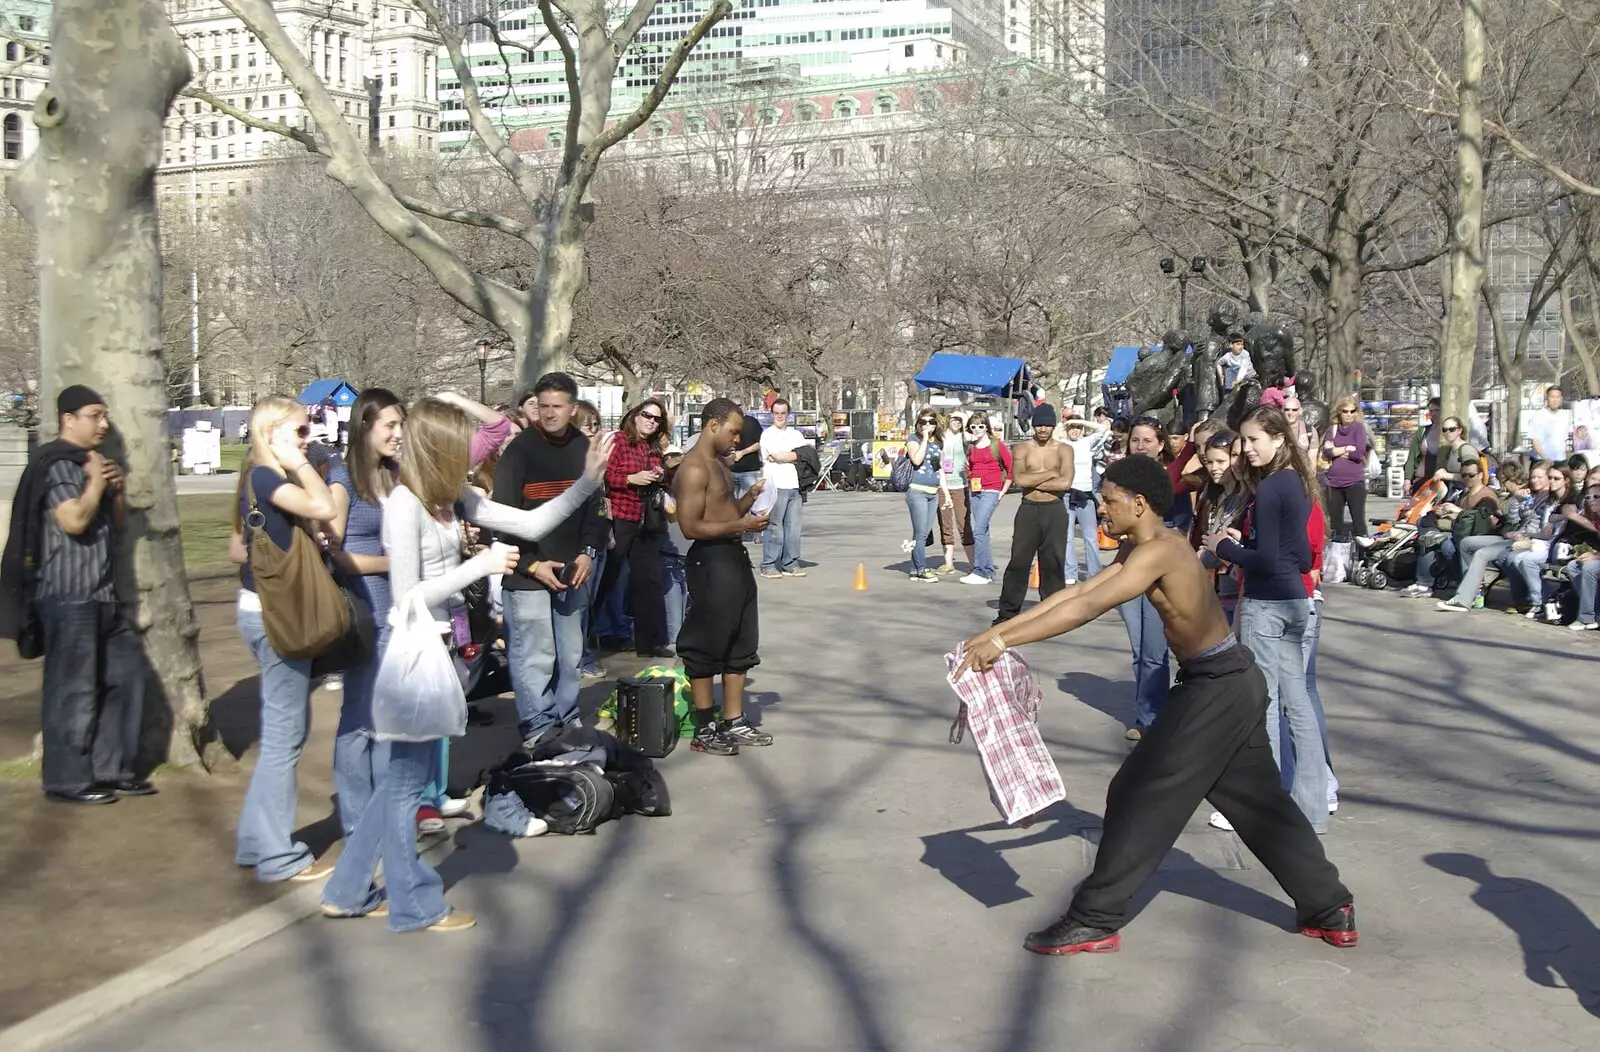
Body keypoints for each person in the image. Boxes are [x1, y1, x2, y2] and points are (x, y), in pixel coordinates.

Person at [957, 455, 1356, 955]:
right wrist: (997, 634)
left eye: (1109, 501)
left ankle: (1095, 918)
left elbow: (1087, 607)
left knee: (1140, 793)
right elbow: (1081, 589)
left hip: (1218, 688)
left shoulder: (1163, 550)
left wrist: (1003, 643)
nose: (1102, 509)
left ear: (1139, 503)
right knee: (1258, 804)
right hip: (1224, 683)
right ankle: (1329, 906)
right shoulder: (1139, 546)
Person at [320, 398, 613, 931]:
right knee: (406, 785)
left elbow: (530, 521)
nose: (476, 453)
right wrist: (476, 564)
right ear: (441, 448)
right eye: (463, 445)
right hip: (414, 653)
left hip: (437, 651)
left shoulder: (449, 497)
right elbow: (406, 597)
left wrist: (589, 482)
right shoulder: (407, 505)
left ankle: (347, 887)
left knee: (398, 783)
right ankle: (414, 905)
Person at [5, 387, 146, 805]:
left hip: (103, 596)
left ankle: (111, 770)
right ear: (69, 418)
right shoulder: (56, 463)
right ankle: (67, 779)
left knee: (126, 680)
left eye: (106, 416)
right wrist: (97, 483)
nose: (104, 424)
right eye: (95, 415)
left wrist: (115, 491)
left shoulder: (92, 464)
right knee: (73, 690)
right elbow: (74, 521)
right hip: (66, 595)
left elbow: (114, 527)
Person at [1203, 405, 1327, 833]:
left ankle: (1263, 808)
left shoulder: (1275, 486)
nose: (1247, 448)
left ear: (1278, 438)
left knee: (1265, 707)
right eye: (1244, 440)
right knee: (1298, 707)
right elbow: (1289, 550)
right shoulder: (1296, 481)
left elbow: (1268, 560)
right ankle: (1310, 806)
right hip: (1295, 600)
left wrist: (1223, 547)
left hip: (1269, 603)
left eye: (1254, 440)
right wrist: (1246, 539)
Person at [231, 396, 340, 881]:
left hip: (263, 612)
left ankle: (257, 842)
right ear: (272, 431)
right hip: (277, 618)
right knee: (284, 738)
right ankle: (276, 855)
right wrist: (298, 461)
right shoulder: (268, 476)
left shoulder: (259, 479)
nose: (308, 439)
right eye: (299, 431)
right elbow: (323, 505)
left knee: (283, 733)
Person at [493, 373, 609, 744]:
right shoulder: (519, 451)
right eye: (542, 406)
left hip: (573, 567)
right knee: (535, 656)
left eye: (557, 406)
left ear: (573, 408)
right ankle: (538, 728)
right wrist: (531, 564)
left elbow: (596, 509)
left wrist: (588, 552)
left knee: (571, 653)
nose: (549, 413)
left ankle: (567, 717)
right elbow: (501, 518)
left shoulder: (583, 449)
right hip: (527, 572)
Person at [672, 399, 775, 755]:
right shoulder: (694, 468)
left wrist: (748, 499)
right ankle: (705, 726)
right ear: (712, 425)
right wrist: (742, 524)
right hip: (710, 561)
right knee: (705, 645)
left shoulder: (719, 465)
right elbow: (689, 527)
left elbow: (723, 512)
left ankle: (734, 719)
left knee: (741, 642)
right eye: (733, 431)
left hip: (733, 557)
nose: (737, 438)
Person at [322, 388, 404, 836]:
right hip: (364, 610)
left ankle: (386, 809)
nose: (398, 434)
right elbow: (337, 555)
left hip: (398, 611)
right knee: (359, 714)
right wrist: (395, 562)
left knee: (388, 714)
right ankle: (358, 822)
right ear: (365, 426)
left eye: (400, 425)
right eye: (390, 426)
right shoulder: (342, 479)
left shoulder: (395, 475)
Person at [596, 398, 674, 658]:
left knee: (649, 582)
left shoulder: (653, 448)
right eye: (647, 415)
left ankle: (648, 644)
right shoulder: (619, 440)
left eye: (656, 418)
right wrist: (630, 478)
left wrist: (659, 475)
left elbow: (659, 473)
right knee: (608, 579)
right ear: (635, 416)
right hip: (620, 516)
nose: (651, 421)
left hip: (646, 519)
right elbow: (603, 475)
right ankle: (594, 636)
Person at [994, 405, 1073, 624]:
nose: (1043, 429)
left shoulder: (1064, 450)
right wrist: (1051, 474)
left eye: (1047, 424)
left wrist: (1035, 481)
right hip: (1028, 509)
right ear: (1033, 425)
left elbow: (1065, 483)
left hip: (1054, 510)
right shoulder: (1022, 449)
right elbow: (1020, 480)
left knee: (1053, 562)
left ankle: (1054, 613)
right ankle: (1007, 613)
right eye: (1039, 424)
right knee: (1019, 561)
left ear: (1054, 425)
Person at [1439, 461, 1550, 613]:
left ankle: (1464, 599)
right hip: (1510, 536)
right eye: (1533, 477)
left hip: (1528, 541)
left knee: (1482, 553)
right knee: (1466, 543)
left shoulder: (1548, 500)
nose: (1535, 481)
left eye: (1539, 477)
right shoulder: (1531, 495)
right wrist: (1517, 501)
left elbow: (1543, 528)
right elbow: (1514, 520)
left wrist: (1523, 533)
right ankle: (1470, 588)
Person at [571, 400, 609, 678]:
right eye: (587, 425)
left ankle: (582, 652)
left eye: (595, 425)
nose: (592, 430)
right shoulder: (573, 458)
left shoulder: (595, 456)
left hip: (598, 537)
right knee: (579, 605)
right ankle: (579, 656)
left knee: (589, 602)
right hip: (580, 542)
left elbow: (600, 501)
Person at [759, 397, 809, 579]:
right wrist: (793, 455)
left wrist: (786, 455)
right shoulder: (767, 434)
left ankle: (790, 563)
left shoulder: (796, 434)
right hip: (775, 485)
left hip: (794, 486)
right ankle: (768, 564)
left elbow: (806, 455)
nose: (780, 416)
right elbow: (773, 456)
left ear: (788, 414)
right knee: (774, 527)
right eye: (776, 413)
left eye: (783, 413)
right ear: (771, 414)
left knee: (793, 528)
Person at [1060, 415, 1113, 586]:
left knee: (1090, 536)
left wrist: (1081, 422)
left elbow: (1104, 429)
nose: (1075, 430)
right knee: (1066, 536)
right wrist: (1063, 425)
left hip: (1085, 494)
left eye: (1078, 427)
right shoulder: (1062, 445)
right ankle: (1070, 571)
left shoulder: (1087, 442)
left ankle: (1094, 572)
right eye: (1072, 427)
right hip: (1067, 493)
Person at [960, 413, 1012, 586]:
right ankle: (986, 570)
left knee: (978, 529)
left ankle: (981, 571)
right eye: (973, 426)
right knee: (983, 531)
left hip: (991, 490)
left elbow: (1011, 468)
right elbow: (970, 467)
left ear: (986, 427)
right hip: (975, 491)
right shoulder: (972, 446)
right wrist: (968, 475)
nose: (977, 429)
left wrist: (1003, 491)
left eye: (981, 426)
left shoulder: (997, 445)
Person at [901, 410, 947, 583]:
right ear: (918, 423)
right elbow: (917, 460)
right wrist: (925, 439)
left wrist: (947, 494)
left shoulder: (938, 443)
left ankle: (914, 567)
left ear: (936, 424)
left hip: (933, 492)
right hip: (917, 491)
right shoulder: (914, 439)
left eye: (931, 422)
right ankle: (921, 568)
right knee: (920, 533)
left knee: (924, 532)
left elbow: (939, 469)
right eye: (923, 422)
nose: (927, 425)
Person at [1322, 396, 1370, 541]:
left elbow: (1359, 453)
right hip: (1334, 482)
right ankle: (1336, 555)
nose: (1349, 414)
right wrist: (1346, 448)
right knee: (1335, 525)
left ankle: (1363, 555)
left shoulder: (1358, 428)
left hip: (1354, 481)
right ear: (1339, 412)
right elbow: (1326, 452)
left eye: (1352, 411)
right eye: (1345, 411)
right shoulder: (1333, 429)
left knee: (1359, 522)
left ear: (1356, 412)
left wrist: (1337, 451)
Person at [936, 412, 974, 575]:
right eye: (954, 419)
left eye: (960, 420)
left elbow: (971, 438)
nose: (957, 423)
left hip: (960, 485)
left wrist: (964, 418)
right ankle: (948, 562)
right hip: (942, 485)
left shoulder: (964, 438)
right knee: (945, 525)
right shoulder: (941, 437)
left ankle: (973, 564)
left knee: (964, 525)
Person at [1405, 397, 1444, 492]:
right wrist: (1407, 479)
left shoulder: (1450, 432)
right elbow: (1412, 457)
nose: (1434, 413)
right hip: (1421, 482)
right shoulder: (1423, 431)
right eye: (1431, 411)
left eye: (1437, 410)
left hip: (1442, 483)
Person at [1525, 385, 1572, 462]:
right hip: (1541, 461)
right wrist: (1546, 460)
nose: (1555, 400)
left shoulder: (1565, 416)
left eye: (1558, 397)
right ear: (1547, 398)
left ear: (1561, 398)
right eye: (1552, 397)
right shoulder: (1538, 416)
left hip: (1560, 460)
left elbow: (1564, 440)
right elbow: (1535, 441)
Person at [1215, 329, 1256, 394]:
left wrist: (1237, 381)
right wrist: (1221, 376)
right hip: (1235, 378)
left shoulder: (1245, 354)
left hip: (1248, 376)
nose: (1241, 347)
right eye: (1238, 344)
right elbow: (1219, 363)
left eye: (1242, 344)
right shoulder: (1227, 356)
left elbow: (1243, 369)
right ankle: (1228, 393)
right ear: (1231, 344)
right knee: (1229, 370)